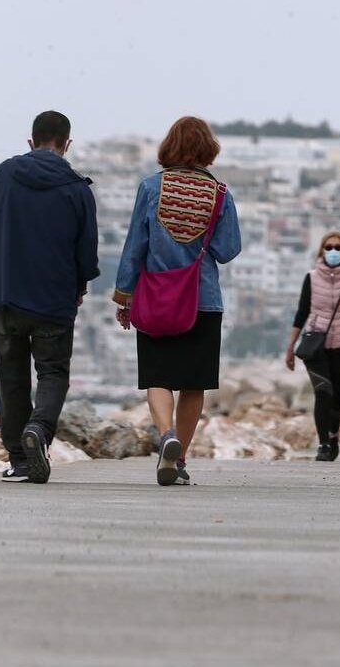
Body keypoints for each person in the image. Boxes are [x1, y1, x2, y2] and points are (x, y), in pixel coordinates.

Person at [112, 116, 241, 486]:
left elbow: (134, 246)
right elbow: (228, 249)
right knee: (193, 384)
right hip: (203, 301)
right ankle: (177, 457)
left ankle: (165, 433)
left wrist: (124, 296)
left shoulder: (151, 187)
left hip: (155, 299)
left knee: (157, 376)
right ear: (208, 148)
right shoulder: (219, 194)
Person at [0, 111, 99, 483]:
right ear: (67, 144)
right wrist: (79, 287)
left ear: (30, 142)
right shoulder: (78, 188)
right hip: (53, 298)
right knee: (52, 372)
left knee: (11, 378)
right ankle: (39, 430)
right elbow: (87, 251)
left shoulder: (3, 174)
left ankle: (18, 459)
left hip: (4, 293)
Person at [286, 231, 340, 462]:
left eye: (338, 247)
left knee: (339, 397)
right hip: (316, 344)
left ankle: (334, 434)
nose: (333, 251)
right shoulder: (311, 277)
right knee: (323, 392)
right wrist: (290, 346)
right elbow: (301, 313)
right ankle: (324, 443)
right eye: (328, 247)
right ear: (321, 251)